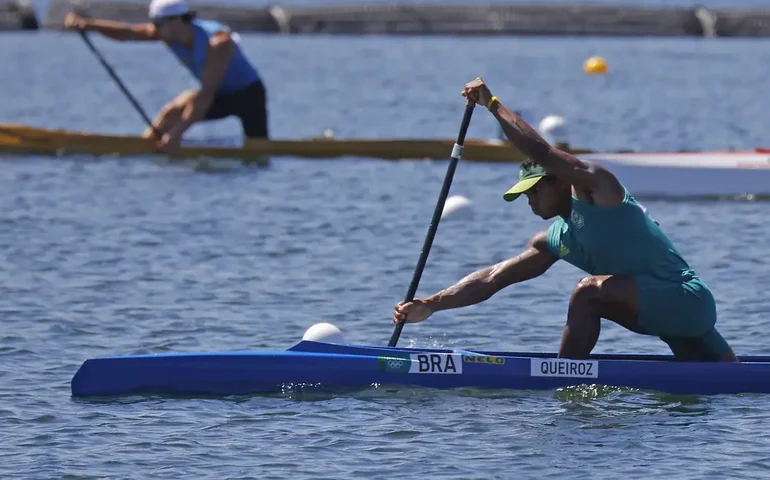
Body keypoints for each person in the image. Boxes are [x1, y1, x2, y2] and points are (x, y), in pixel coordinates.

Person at [392, 77, 738, 362]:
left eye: (533, 191)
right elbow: (494, 278)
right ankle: (567, 375)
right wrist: (431, 305)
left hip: (686, 300)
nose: (529, 201)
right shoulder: (557, 238)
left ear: (559, 181)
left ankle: (563, 376)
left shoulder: (599, 190)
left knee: (587, 292)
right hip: (668, 319)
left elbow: (543, 153)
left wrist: (493, 104)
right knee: (731, 378)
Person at [64, 0, 268, 153]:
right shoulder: (168, 33)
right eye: (154, 23)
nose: (154, 29)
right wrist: (87, 25)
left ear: (178, 20)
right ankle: (143, 147)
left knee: (259, 150)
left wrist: (177, 134)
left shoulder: (218, 43)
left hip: (248, 96)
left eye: (158, 23)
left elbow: (206, 94)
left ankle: (167, 142)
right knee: (171, 112)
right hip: (217, 93)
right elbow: (129, 33)